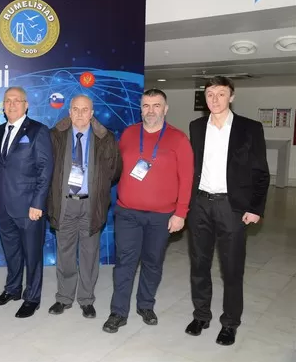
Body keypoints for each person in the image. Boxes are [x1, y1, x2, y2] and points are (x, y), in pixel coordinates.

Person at [185, 76, 270, 346]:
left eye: (221, 94)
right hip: (200, 204)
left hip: (231, 207)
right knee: (199, 264)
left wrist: (255, 208)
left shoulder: (250, 128)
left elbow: (261, 172)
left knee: (232, 268)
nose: (215, 99)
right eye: (210, 94)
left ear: (231, 97)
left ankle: (230, 323)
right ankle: (201, 315)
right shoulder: (197, 127)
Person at [103, 88, 194, 333]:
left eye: (156, 105)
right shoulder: (129, 134)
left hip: (162, 216)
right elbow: (116, 168)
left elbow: (187, 179)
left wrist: (181, 213)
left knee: (153, 262)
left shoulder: (178, 139)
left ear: (165, 109)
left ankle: (145, 305)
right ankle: (118, 312)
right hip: (127, 213)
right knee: (125, 263)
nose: (151, 110)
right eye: (146, 105)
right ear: (140, 108)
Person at [47, 95, 121, 319]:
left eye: (85, 109)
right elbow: (46, 168)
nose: (80, 113)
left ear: (92, 113)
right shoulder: (55, 136)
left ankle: (87, 299)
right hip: (65, 204)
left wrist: (98, 186)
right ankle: (64, 297)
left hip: (91, 204)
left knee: (89, 255)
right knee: (65, 254)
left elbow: (114, 170)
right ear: (69, 112)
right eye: (76, 109)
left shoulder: (105, 138)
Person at [0, 86, 54, 318]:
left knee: (32, 255)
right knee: (12, 252)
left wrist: (38, 204)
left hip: (29, 207)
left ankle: (32, 298)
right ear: (3, 106)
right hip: (4, 206)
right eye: (8, 100)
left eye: (17, 100)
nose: (12, 104)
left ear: (26, 105)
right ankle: (12, 289)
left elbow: (45, 170)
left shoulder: (38, 130)